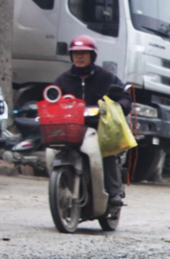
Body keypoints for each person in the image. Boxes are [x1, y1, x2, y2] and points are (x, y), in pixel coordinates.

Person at [55, 35, 132, 210]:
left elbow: (124, 97)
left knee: (107, 152)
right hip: (71, 128)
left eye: (84, 53)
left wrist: (119, 107)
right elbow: (51, 98)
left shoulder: (106, 78)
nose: (79, 57)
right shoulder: (63, 80)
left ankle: (113, 193)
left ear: (93, 56)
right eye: (75, 53)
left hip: (99, 127)